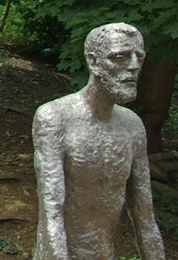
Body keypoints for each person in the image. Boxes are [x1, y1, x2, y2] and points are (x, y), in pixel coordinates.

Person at [32, 22, 165, 260]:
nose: (133, 66)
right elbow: (52, 213)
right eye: (120, 57)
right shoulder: (55, 118)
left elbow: (145, 218)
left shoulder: (132, 126)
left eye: (139, 57)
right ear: (93, 61)